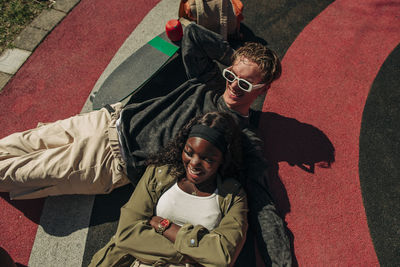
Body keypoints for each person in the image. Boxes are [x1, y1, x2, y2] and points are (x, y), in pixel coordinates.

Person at [0, 24, 291, 265]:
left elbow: (263, 204)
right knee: (7, 148)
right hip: (104, 120)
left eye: (245, 84)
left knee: (10, 172)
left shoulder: (241, 134)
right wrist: (234, 59)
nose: (233, 86)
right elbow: (193, 36)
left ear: (263, 89)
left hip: (110, 160)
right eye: (231, 76)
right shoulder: (211, 82)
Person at [89, 112, 248, 267]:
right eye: (189, 152)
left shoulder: (233, 196)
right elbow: (127, 233)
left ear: (223, 159)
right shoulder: (158, 174)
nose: (194, 163)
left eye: (207, 159)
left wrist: (165, 226)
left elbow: (222, 256)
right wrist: (190, 256)